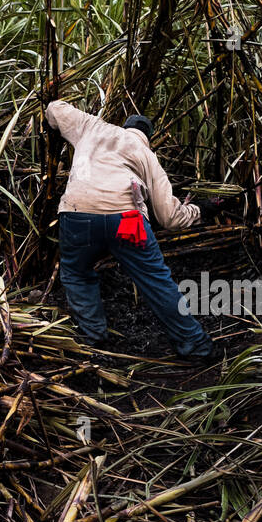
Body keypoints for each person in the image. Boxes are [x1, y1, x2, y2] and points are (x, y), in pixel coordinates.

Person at [45, 99, 224, 363]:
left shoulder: (92, 126)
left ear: (125, 126)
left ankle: (95, 343)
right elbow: (170, 218)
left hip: (77, 214)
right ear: (148, 137)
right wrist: (202, 210)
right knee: (157, 282)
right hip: (127, 221)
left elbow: (55, 108)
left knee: (77, 273)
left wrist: (50, 125)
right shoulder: (147, 156)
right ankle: (197, 348)